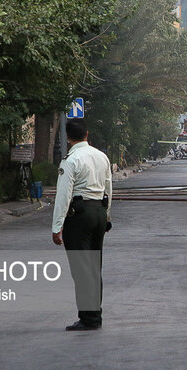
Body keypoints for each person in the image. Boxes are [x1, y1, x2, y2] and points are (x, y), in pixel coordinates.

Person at [52, 119, 112, 331]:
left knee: (81, 267)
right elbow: (108, 188)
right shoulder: (101, 156)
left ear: (68, 138)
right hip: (98, 211)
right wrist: (106, 216)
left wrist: (56, 226)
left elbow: (63, 195)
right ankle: (96, 313)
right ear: (87, 134)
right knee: (95, 265)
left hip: (79, 214)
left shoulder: (70, 160)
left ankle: (89, 317)